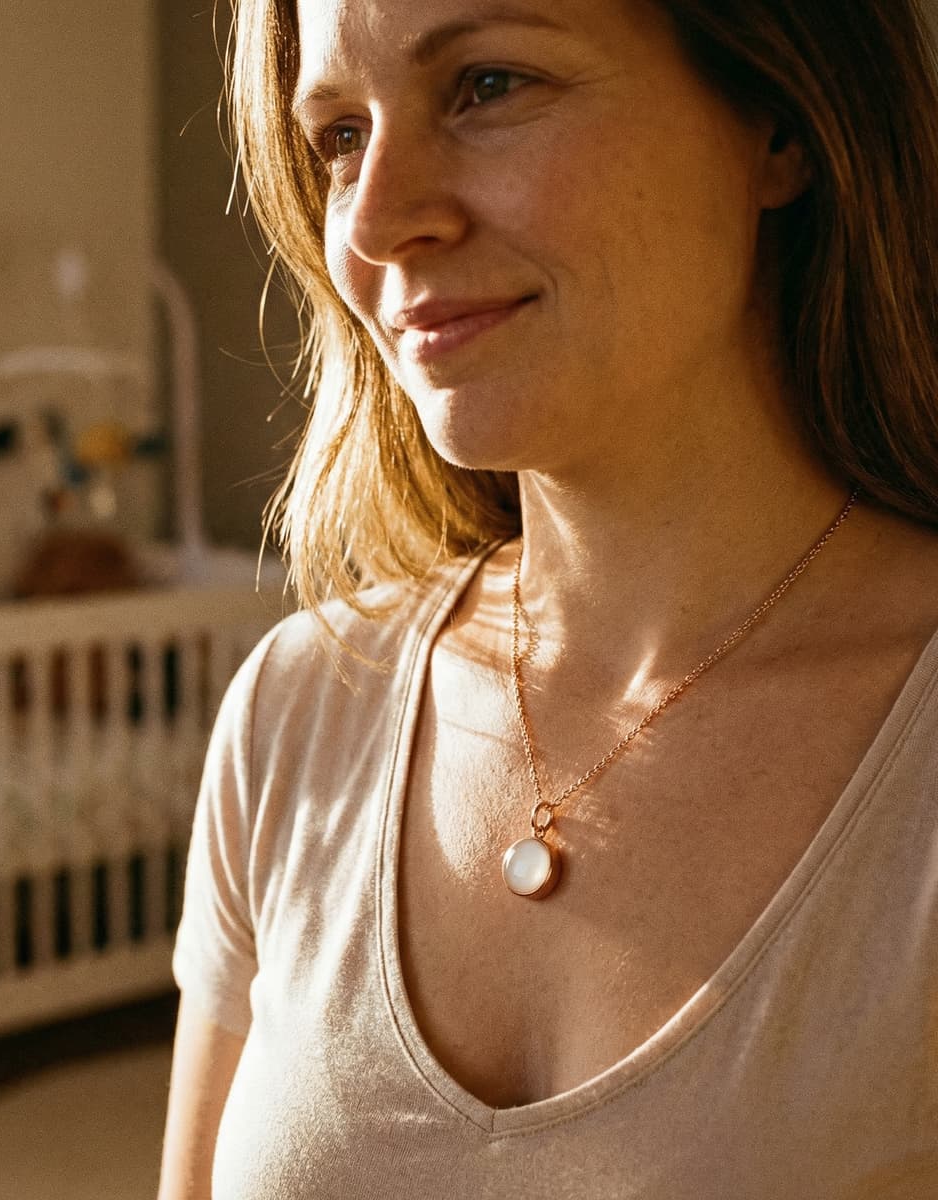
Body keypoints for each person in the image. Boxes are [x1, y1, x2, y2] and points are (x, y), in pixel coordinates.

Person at [158, 0, 938, 1195]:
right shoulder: (298, 709)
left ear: (781, 122)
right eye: (339, 136)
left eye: (489, 85)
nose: (373, 222)